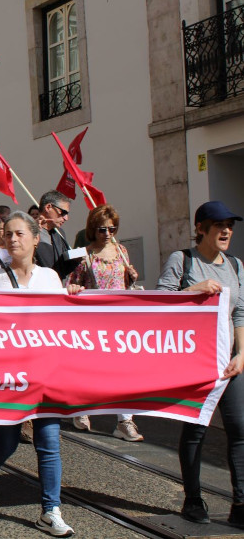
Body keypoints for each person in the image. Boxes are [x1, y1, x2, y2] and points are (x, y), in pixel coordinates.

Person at [0, 211, 83, 538]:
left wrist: (72, 299)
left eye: (20, 234)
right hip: (9, 375)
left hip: (45, 371)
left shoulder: (50, 278)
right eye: (8, 235)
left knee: (49, 441)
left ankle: (50, 510)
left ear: (36, 239)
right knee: (6, 441)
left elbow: (62, 321)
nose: (13, 239)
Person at [157, 200, 244, 526]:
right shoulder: (183, 260)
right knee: (196, 431)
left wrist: (242, 354)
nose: (226, 231)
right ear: (200, 229)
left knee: (240, 431)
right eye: (219, 225)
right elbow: (160, 301)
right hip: (198, 361)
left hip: (230, 362)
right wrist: (195, 289)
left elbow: (240, 312)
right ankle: (193, 500)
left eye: (230, 225)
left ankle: (241, 503)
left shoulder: (235, 265)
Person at [66, 205, 143, 441]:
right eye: (102, 229)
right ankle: (81, 409)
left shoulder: (122, 252)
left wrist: (131, 276)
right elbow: (72, 284)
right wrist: (75, 288)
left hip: (119, 320)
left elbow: (124, 284)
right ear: (93, 229)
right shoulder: (83, 254)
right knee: (90, 368)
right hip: (92, 321)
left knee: (122, 372)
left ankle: (124, 421)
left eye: (112, 228)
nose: (107, 233)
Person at [35, 191, 80, 279]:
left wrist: (76, 259)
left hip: (57, 286)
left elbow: (62, 270)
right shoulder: (30, 230)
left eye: (67, 214)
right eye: (63, 212)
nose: (66, 218)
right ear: (48, 207)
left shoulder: (59, 233)